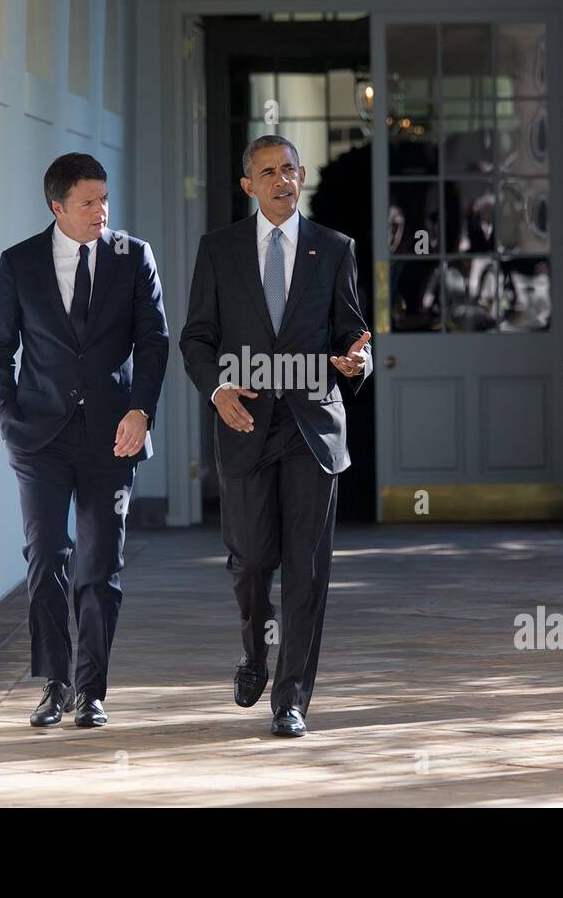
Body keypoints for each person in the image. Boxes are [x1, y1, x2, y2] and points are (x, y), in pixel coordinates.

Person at [180, 135, 372, 737]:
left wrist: (356, 362)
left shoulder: (335, 249)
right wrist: (218, 390)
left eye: (289, 169)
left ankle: (291, 699)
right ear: (249, 186)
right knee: (252, 560)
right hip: (245, 422)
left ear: (302, 174)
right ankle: (255, 653)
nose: (282, 180)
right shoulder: (219, 250)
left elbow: (351, 335)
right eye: (269, 172)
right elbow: (196, 338)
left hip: (313, 426)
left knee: (308, 568)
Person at [0, 153, 168, 728]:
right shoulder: (19, 263)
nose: (101, 211)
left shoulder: (132, 257)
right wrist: (10, 422)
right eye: (88, 202)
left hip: (113, 437)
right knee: (46, 556)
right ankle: (54, 682)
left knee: (99, 564)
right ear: (56, 206)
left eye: (105, 199)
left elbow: (154, 342)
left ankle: (91, 689)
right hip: (39, 441)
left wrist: (140, 411)